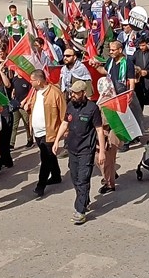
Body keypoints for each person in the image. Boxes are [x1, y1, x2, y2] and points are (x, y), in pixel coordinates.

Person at [53, 81, 102, 225]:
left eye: (76, 93)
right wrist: (57, 141)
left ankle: (80, 210)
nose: (73, 95)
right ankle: (84, 199)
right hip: (72, 149)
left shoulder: (92, 108)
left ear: (83, 93)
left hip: (86, 150)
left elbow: (99, 129)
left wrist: (102, 151)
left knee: (82, 179)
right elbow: (64, 123)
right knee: (75, 178)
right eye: (72, 92)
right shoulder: (70, 105)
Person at [25, 69, 65, 198]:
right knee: (49, 155)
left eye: (31, 80)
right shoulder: (35, 92)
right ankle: (56, 175)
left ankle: (40, 185)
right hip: (37, 131)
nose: (30, 82)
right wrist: (28, 106)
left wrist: (65, 131)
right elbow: (33, 105)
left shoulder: (54, 93)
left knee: (45, 159)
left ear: (38, 81)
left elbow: (64, 112)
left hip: (50, 132)